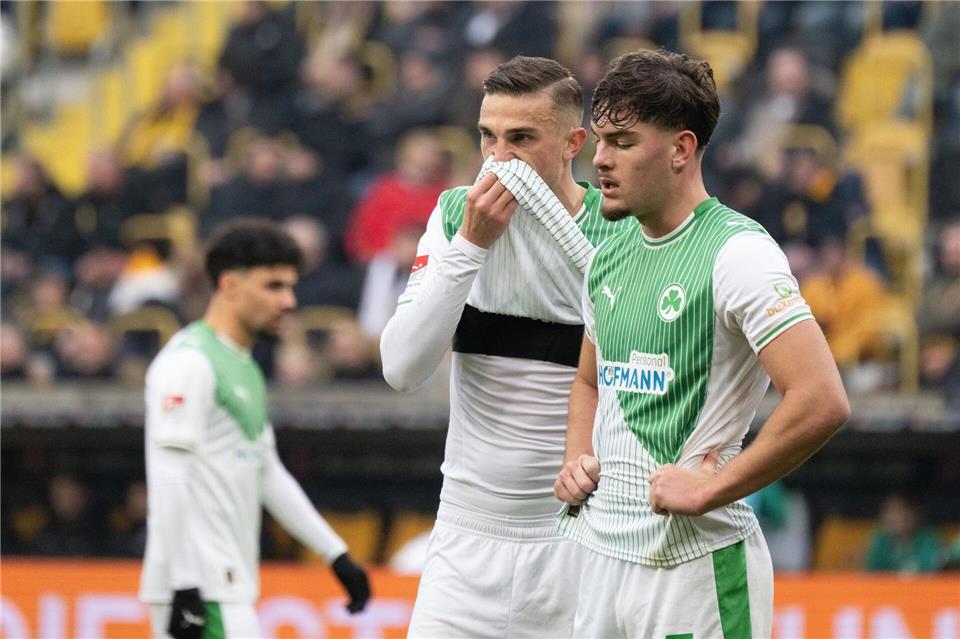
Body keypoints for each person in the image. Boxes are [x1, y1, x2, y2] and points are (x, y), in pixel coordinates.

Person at [554, 49, 850, 638]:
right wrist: (575, 454)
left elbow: (822, 400)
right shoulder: (608, 249)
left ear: (681, 149)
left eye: (624, 141)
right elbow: (591, 379)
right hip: (600, 560)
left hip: (694, 572)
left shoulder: (738, 252)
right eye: (601, 140)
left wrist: (712, 487)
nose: (601, 159)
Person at [380, 56, 623, 638]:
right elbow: (401, 368)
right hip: (465, 540)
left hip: (577, 544)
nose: (498, 158)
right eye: (488, 136)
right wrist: (470, 246)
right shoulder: (453, 215)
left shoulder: (619, 228)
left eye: (521, 139)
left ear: (573, 142)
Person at [139, 220, 369, 639]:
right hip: (202, 587)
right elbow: (169, 478)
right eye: (273, 286)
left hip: (224, 584)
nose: (289, 300)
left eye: (291, 286)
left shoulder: (243, 367)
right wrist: (185, 586)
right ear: (229, 285)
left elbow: (266, 471)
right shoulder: (189, 362)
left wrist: (335, 555)